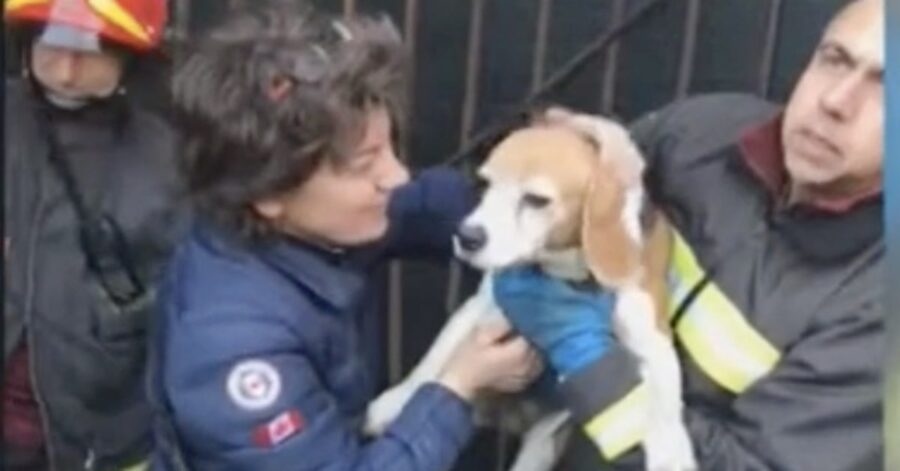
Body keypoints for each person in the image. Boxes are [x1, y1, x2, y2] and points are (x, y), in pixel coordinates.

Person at [148, 2, 542, 470]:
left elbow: (435, 205)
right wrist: (458, 386)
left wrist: (546, 191)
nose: (395, 176)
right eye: (365, 163)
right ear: (269, 192)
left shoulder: (315, 222)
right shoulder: (232, 345)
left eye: (390, 148)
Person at [493, 0, 885, 470]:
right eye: (835, 58)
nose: (836, 101)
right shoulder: (704, 134)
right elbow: (552, 207)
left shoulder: (880, 305)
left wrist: (590, 361)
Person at [3, 0, 186, 470]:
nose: (66, 71)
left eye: (88, 50)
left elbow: (184, 306)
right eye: (52, 45)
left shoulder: (165, 159)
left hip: (98, 433)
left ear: (130, 58)